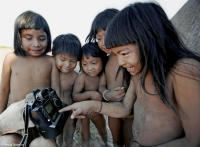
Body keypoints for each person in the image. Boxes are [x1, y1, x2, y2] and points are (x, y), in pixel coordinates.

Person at [60, 2, 200, 147]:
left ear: (148, 39)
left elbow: (195, 141)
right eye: (116, 54)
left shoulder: (184, 71)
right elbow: (124, 108)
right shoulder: (139, 73)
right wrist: (91, 105)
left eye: (124, 53)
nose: (120, 62)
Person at [0, 11, 60, 147]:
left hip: (43, 121)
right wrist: (1, 119)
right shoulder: (11, 59)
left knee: (47, 145)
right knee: (6, 142)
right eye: (29, 38)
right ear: (18, 37)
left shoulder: (50, 61)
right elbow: (3, 90)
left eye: (42, 38)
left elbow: (57, 93)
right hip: (17, 120)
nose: (36, 44)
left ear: (48, 37)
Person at [86, 8, 133, 147]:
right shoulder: (105, 61)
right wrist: (107, 94)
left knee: (129, 139)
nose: (102, 42)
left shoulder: (128, 57)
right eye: (99, 38)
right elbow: (101, 85)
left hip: (131, 111)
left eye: (106, 35)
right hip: (113, 109)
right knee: (116, 140)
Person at [72, 42, 108, 147]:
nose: (89, 68)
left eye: (94, 63)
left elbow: (102, 90)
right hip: (83, 109)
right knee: (85, 133)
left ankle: (105, 141)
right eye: (85, 64)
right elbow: (75, 96)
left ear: (102, 61)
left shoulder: (102, 75)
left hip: (96, 110)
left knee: (102, 128)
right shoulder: (82, 77)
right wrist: (91, 94)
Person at [52, 34, 82, 147]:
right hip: (52, 114)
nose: (68, 65)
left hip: (69, 115)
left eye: (73, 61)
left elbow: (78, 100)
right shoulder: (50, 73)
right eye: (63, 59)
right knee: (54, 139)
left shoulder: (76, 77)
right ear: (53, 55)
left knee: (68, 137)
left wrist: (79, 120)